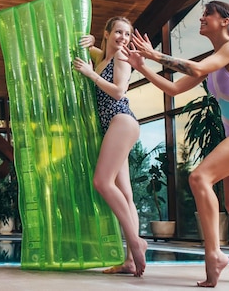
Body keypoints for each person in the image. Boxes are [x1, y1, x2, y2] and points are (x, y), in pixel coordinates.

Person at [123, 1, 229, 287]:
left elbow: (194, 67)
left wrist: (153, 54)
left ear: (225, 21)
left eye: (208, 14)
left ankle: (214, 254)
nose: (201, 18)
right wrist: (142, 67)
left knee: (200, 177)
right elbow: (175, 88)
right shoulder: (216, 58)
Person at [73, 16, 148, 277]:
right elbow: (93, 48)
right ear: (107, 33)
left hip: (121, 122)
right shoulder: (105, 56)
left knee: (102, 182)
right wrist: (92, 41)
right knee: (126, 195)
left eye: (127, 34)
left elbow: (118, 91)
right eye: (118, 32)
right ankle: (129, 260)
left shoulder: (121, 58)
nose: (124, 39)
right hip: (116, 127)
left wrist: (91, 74)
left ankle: (136, 242)